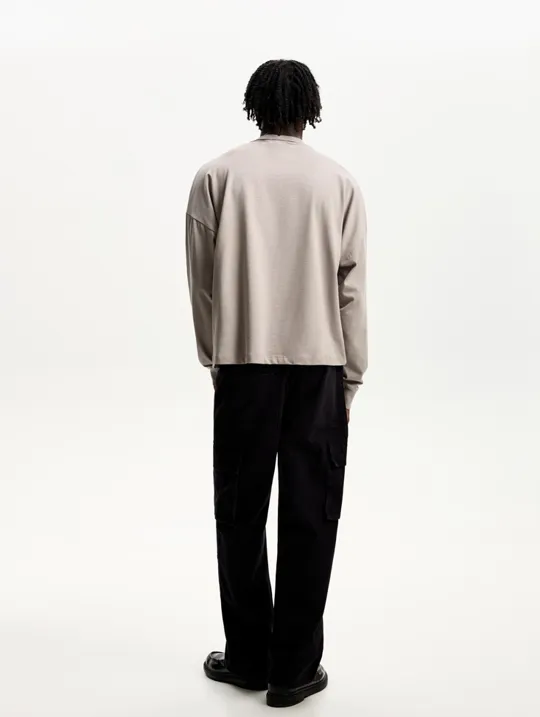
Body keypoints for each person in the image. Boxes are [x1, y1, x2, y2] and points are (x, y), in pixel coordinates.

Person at [185, 59, 367, 708]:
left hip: (242, 364)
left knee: (239, 511)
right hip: (320, 366)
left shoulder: (217, 176)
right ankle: (293, 668)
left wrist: (216, 359)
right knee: (311, 514)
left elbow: (203, 283)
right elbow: (351, 288)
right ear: (309, 109)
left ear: (253, 105)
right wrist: (351, 377)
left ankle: (247, 656)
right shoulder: (338, 182)